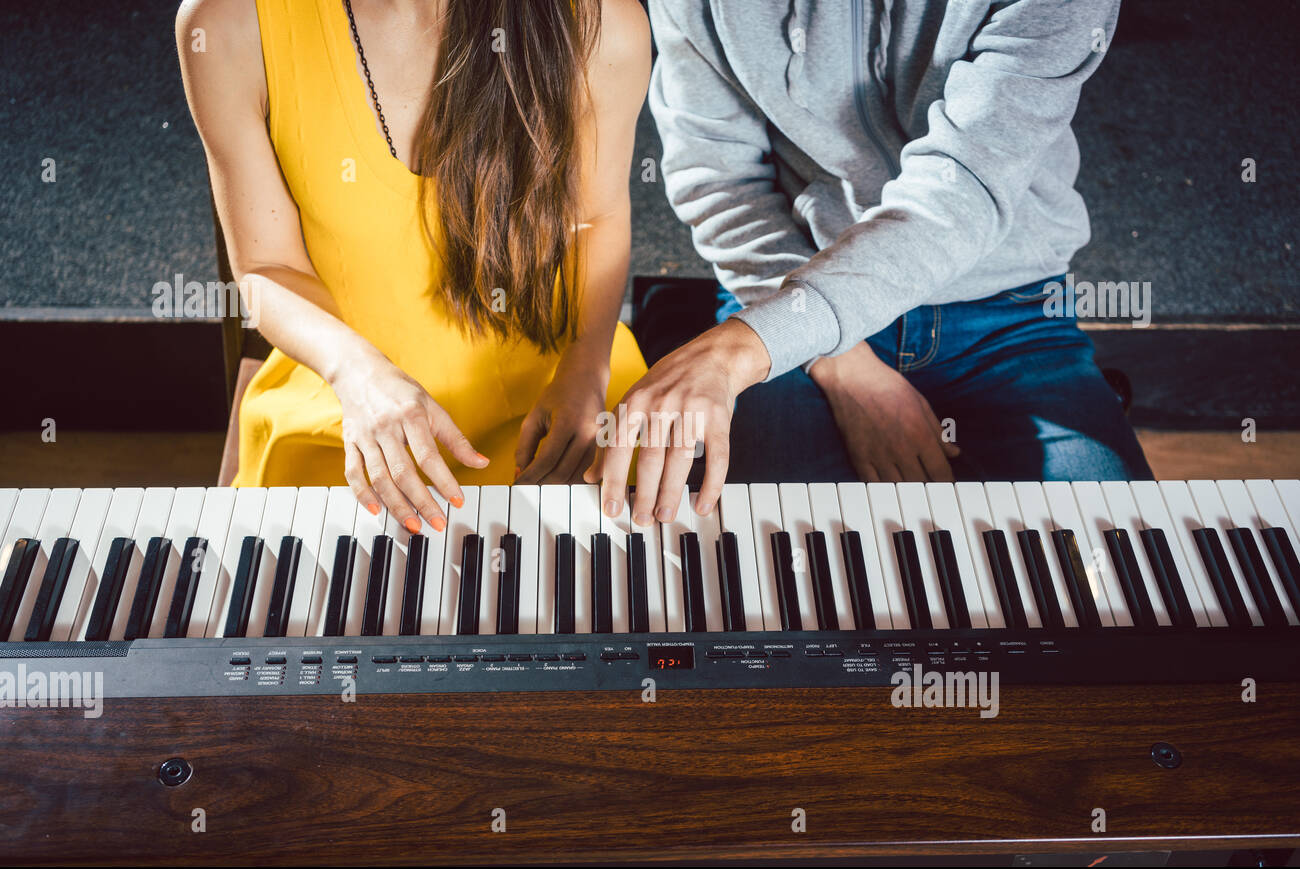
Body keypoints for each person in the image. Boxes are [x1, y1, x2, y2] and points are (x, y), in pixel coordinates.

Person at [587, 0, 1152, 528]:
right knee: (788, 598)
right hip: (786, 291)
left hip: (1009, 312)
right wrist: (843, 367)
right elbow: (721, 182)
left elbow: (962, 191)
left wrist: (737, 350)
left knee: (1127, 593)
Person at [177, 0, 650, 532]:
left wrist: (587, 368)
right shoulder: (223, 23)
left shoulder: (603, 17)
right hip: (344, 404)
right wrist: (356, 375)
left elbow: (599, 215)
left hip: (557, 405)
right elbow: (265, 267)